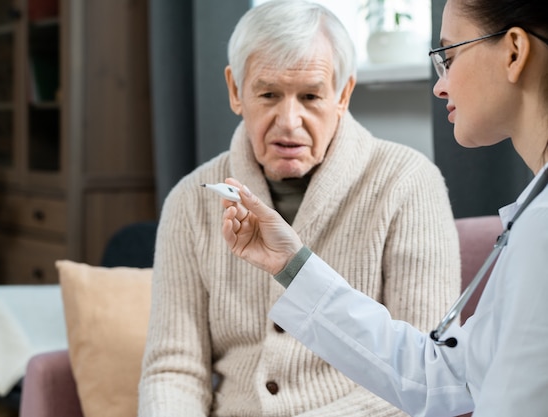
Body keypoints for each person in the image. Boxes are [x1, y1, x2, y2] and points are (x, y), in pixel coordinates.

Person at [221, 0, 548, 416]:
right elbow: (441, 375)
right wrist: (292, 264)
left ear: (514, 53)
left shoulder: (541, 234)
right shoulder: (534, 219)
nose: (440, 86)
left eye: (449, 56)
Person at [139, 1, 461, 416]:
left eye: (310, 96)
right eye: (269, 94)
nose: (289, 121)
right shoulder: (190, 201)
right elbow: (173, 368)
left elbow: (424, 373)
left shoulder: (409, 184)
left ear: (343, 93)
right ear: (236, 90)